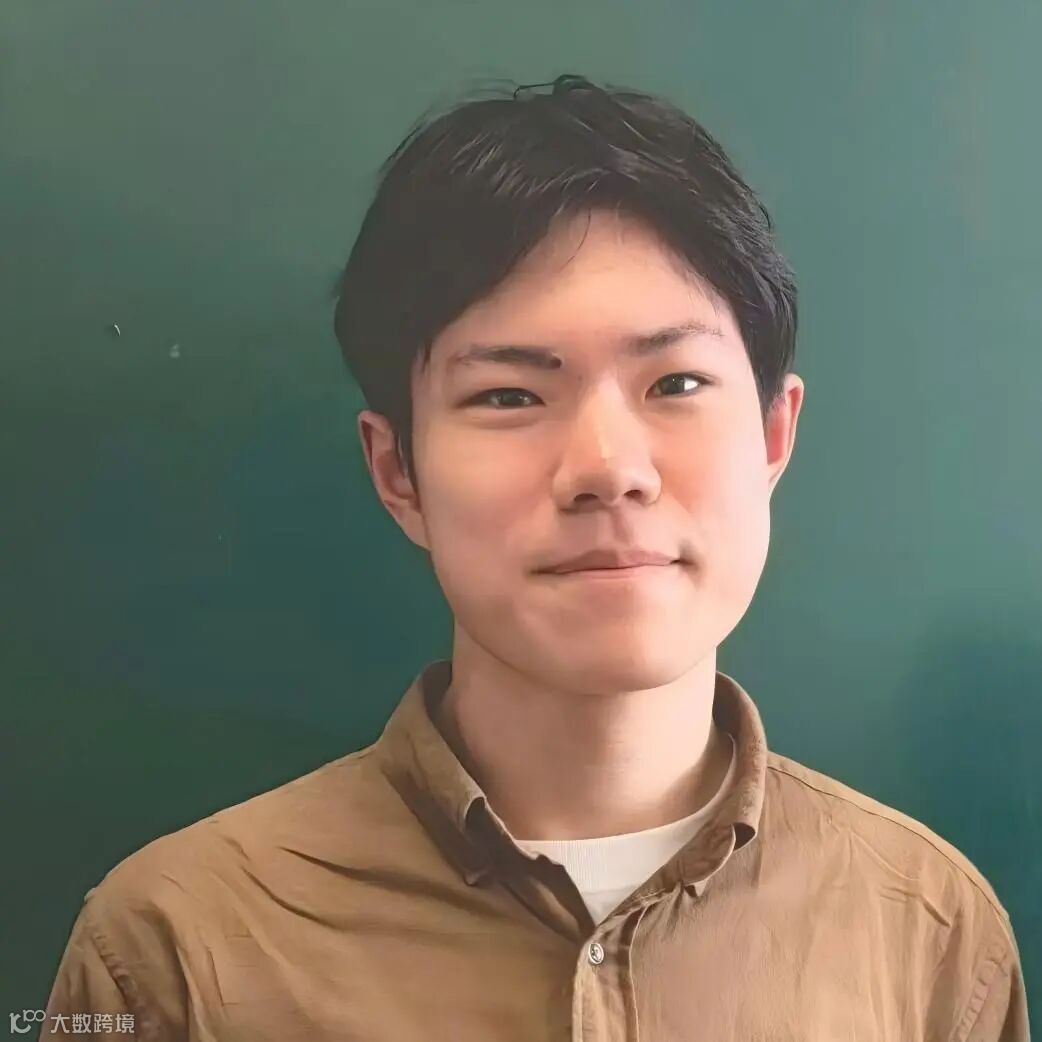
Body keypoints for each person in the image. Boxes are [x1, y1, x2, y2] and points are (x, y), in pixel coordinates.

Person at [43, 73, 1029, 1041]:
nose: (608, 469)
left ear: (774, 436)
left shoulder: (929, 930)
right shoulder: (176, 951)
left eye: (676, 383)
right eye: (510, 396)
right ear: (397, 473)